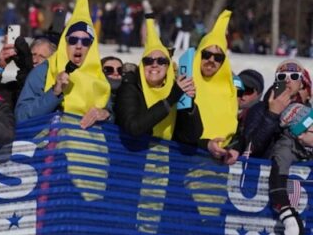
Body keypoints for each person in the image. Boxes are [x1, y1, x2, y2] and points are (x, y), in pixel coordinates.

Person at [16, 0, 110, 128]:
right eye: (73, 40)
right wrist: (54, 92)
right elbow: (21, 116)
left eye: (85, 42)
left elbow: (113, 115)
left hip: (91, 147)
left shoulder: (98, 75)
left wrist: (106, 114)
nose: (79, 46)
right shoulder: (43, 71)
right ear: (64, 42)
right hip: (53, 146)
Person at [174, 10, 239, 164]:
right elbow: (178, 130)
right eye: (206, 54)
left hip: (218, 166)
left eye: (218, 57)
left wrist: (236, 148)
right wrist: (206, 144)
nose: (211, 60)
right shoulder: (183, 82)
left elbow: (236, 129)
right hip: (184, 162)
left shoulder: (230, 90)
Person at [115, 16, 192, 142]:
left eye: (161, 61)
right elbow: (133, 127)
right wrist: (171, 99)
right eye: (148, 61)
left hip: (165, 158)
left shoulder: (176, 89)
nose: (154, 64)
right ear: (141, 65)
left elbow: (189, 136)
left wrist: (190, 106)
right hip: (134, 158)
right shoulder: (130, 87)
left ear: (168, 66)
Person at [233, 62, 308, 160]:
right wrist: (272, 115)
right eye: (282, 76)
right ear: (276, 81)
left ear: (301, 84)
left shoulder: (307, 111)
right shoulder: (259, 108)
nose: (287, 80)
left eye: (294, 76)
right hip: (261, 169)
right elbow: (251, 148)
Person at [267, 103, 313, 235]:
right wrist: (288, 215)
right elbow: (277, 183)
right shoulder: (284, 150)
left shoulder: (308, 145)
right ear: (300, 134)